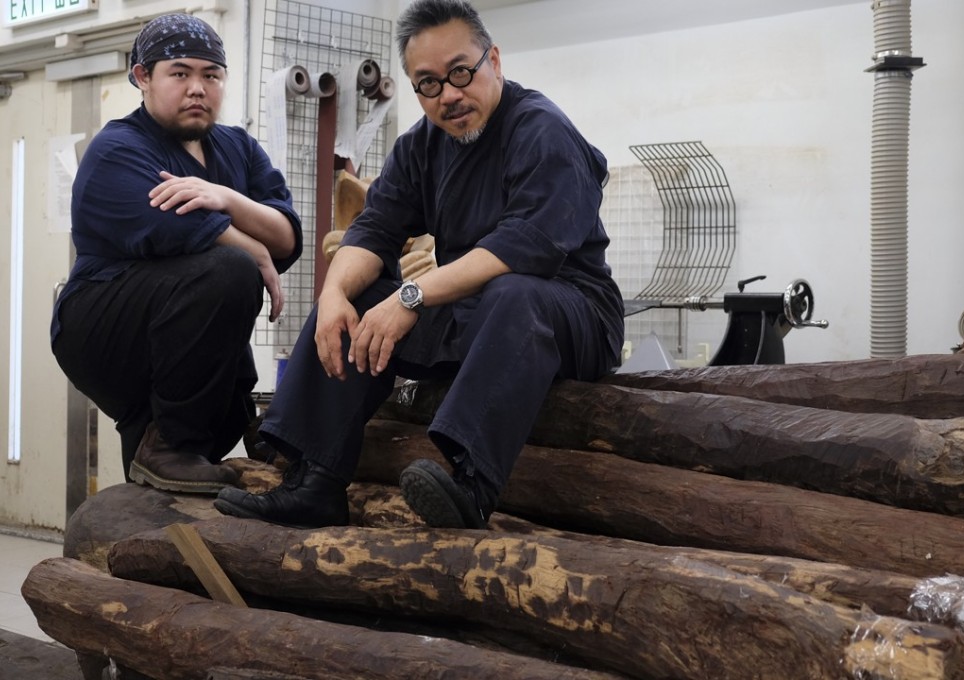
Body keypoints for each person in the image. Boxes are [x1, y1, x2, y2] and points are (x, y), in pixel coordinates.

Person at [214, 0, 624, 529]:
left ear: (494, 61)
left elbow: (527, 248)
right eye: (428, 84)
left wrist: (412, 297)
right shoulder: (421, 147)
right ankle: (313, 480)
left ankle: (470, 486)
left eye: (460, 73)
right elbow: (373, 230)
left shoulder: (541, 130)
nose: (449, 95)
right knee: (354, 297)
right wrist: (335, 295)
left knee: (516, 293)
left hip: (570, 316)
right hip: (474, 316)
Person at [51, 13, 302, 494]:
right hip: (101, 323)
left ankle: (153, 492)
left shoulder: (238, 148)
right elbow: (176, 229)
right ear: (142, 77)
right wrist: (252, 246)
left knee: (213, 423)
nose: (197, 88)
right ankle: (167, 446)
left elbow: (287, 235)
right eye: (180, 73)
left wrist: (226, 198)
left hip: (180, 332)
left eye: (211, 75)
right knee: (229, 268)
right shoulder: (117, 149)